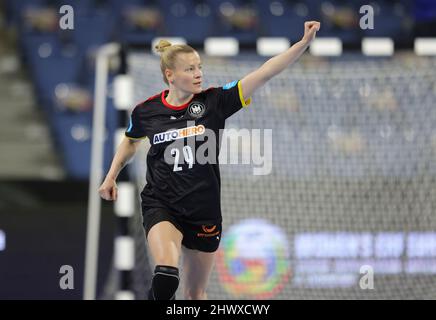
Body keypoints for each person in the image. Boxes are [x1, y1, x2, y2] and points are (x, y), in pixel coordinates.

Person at [99, 21, 321, 300]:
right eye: (190, 69)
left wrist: (302, 44)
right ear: (170, 75)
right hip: (161, 202)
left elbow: (265, 73)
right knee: (167, 275)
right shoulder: (147, 111)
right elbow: (131, 140)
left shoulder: (214, 102)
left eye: (199, 67)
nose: (198, 74)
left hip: (203, 211)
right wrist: (111, 176)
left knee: (195, 294)